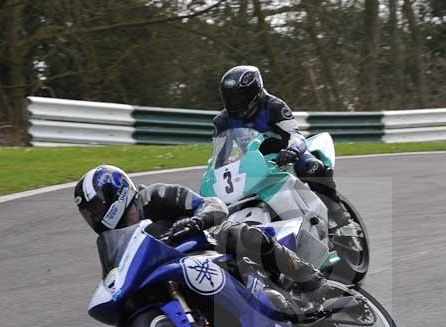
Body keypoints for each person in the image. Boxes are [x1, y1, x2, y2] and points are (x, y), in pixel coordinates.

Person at [73, 164, 327, 298]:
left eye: (95, 208)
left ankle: (309, 277)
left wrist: (196, 222)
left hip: (207, 243)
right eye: (88, 214)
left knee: (239, 234)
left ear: (114, 194)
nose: (94, 217)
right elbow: (115, 278)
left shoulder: (155, 196)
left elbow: (212, 205)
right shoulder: (115, 242)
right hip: (173, 273)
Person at [214, 65, 352, 225]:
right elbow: (219, 157)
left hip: (285, 156)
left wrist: (292, 151)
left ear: (254, 92)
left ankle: (340, 217)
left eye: (239, 97)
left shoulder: (273, 106)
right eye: (229, 98)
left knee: (313, 168)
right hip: (254, 165)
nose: (234, 103)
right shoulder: (222, 121)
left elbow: (295, 135)